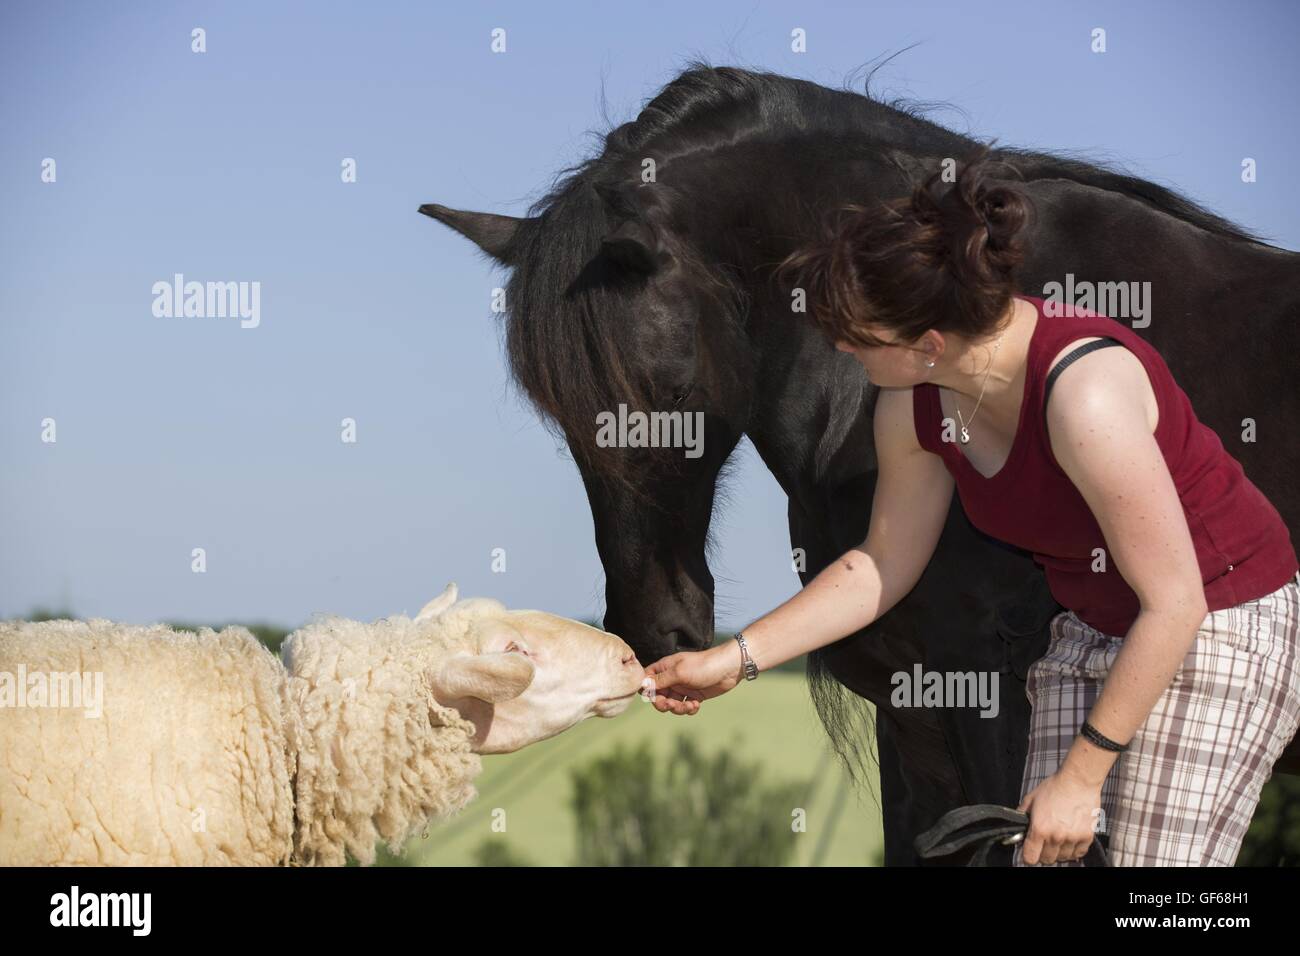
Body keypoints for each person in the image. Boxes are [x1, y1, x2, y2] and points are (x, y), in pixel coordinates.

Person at [645, 150, 1300, 867]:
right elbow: (881, 563)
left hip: (1216, 625)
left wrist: (1082, 778)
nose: (834, 344)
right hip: (1094, 629)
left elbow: (1175, 603)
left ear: (929, 343)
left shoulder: (1086, 395)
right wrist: (736, 660)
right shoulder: (913, 402)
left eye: (857, 337)